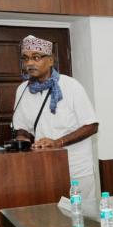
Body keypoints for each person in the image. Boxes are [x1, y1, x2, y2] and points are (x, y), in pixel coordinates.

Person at [13, 35, 98, 203]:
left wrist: (57, 142)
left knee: (84, 218)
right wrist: (21, 141)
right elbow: (21, 127)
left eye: (36, 57)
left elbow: (91, 126)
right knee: (50, 220)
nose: (29, 63)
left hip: (76, 171)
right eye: (26, 58)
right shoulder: (22, 89)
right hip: (43, 170)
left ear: (51, 60)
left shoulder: (71, 86)